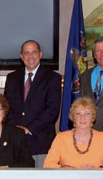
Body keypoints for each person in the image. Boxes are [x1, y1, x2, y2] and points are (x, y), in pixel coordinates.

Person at [4, 40, 61, 168]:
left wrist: (29, 129)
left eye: (34, 52)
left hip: (40, 143)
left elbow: (52, 110)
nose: (30, 56)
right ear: (21, 56)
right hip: (15, 143)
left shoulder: (53, 78)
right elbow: (6, 108)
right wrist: (16, 130)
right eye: (26, 53)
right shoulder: (12, 78)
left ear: (40, 54)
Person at [43, 97, 103, 169]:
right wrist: (64, 168)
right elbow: (47, 164)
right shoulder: (61, 138)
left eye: (87, 113)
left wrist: (98, 171)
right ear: (73, 117)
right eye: (78, 114)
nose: (82, 117)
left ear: (93, 117)